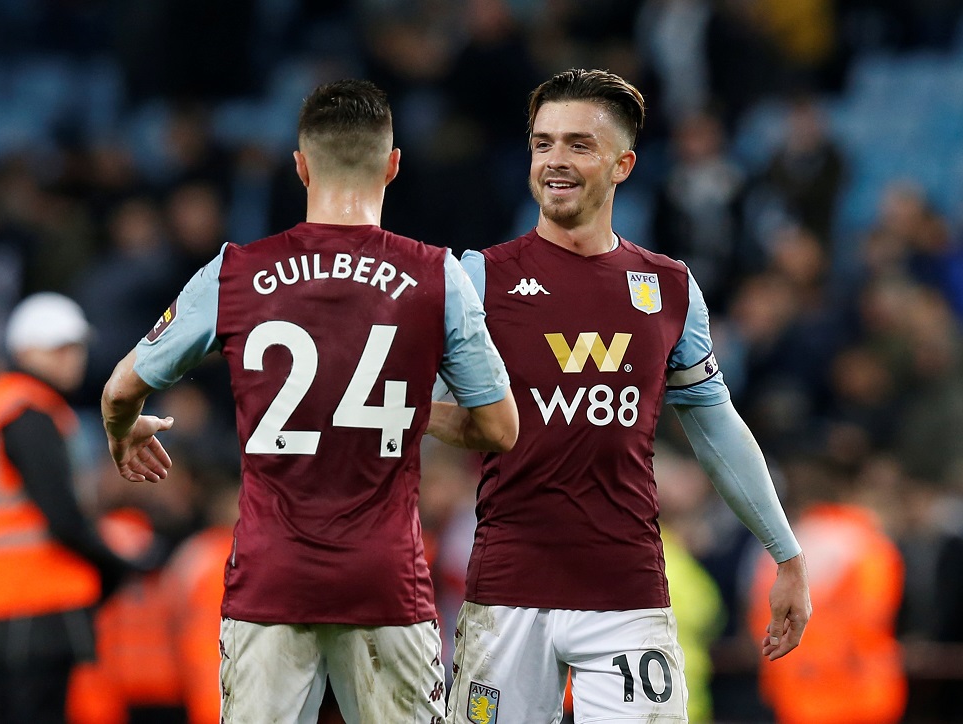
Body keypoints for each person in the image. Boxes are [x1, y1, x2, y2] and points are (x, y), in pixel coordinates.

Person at [100, 79, 518, 723]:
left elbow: (122, 387)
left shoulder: (235, 272)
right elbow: (499, 427)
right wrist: (403, 403)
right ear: (392, 164)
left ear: (299, 166)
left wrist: (122, 428)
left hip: (271, 579)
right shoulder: (439, 276)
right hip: (386, 580)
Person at [427, 68, 810, 723]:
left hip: (626, 591)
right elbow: (407, 402)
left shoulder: (670, 288)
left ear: (622, 163)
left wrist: (788, 555)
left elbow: (716, 427)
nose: (554, 160)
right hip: (507, 592)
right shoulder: (477, 278)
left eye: (578, 144)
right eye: (542, 143)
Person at [0, 292, 138, 724]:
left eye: (76, 347)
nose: (72, 359)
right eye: (59, 348)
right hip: (34, 611)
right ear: (26, 351)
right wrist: (116, 567)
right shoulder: (29, 412)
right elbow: (63, 518)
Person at [747, 457, 905, 724]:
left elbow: (759, 618)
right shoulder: (866, 543)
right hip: (860, 693)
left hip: (796, 690)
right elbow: (873, 613)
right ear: (853, 491)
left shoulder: (781, 549)